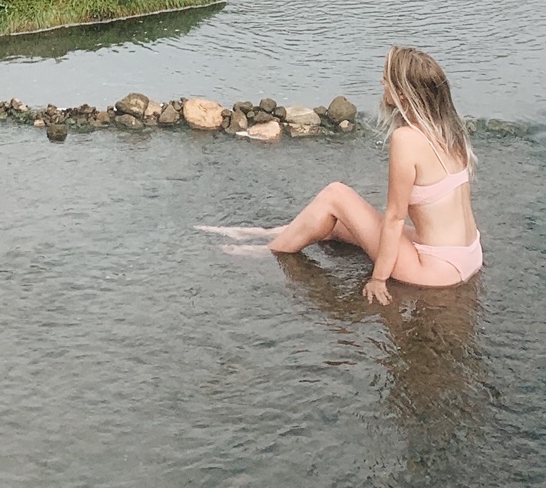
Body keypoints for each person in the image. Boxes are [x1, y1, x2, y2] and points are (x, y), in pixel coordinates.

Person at [200, 46, 481, 302]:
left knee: (336, 194)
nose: (382, 82)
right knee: (340, 225)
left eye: (387, 78)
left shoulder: (406, 138)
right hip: (468, 255)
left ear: (404, 94)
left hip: (435, 270)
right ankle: (263, 232)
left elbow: (395, 218)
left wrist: (378, 279)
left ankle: (270, 249)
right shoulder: (450, 129)